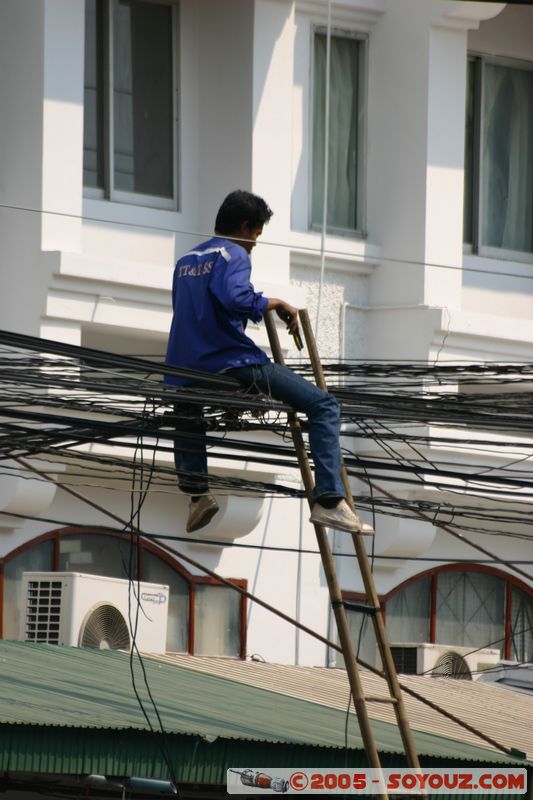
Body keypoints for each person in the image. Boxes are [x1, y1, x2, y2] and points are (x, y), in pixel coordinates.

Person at [165, 190, 373, 536]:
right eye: (256, 237)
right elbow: (236, 298)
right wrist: (273, 302)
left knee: (188, 414)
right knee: (324, 406)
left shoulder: (186, 261)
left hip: (184, 367)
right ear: (245, 227)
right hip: (230, 361)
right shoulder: (232, 253)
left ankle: (197, 496)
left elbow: (188, 311)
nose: (253, 246)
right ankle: (329, 501)